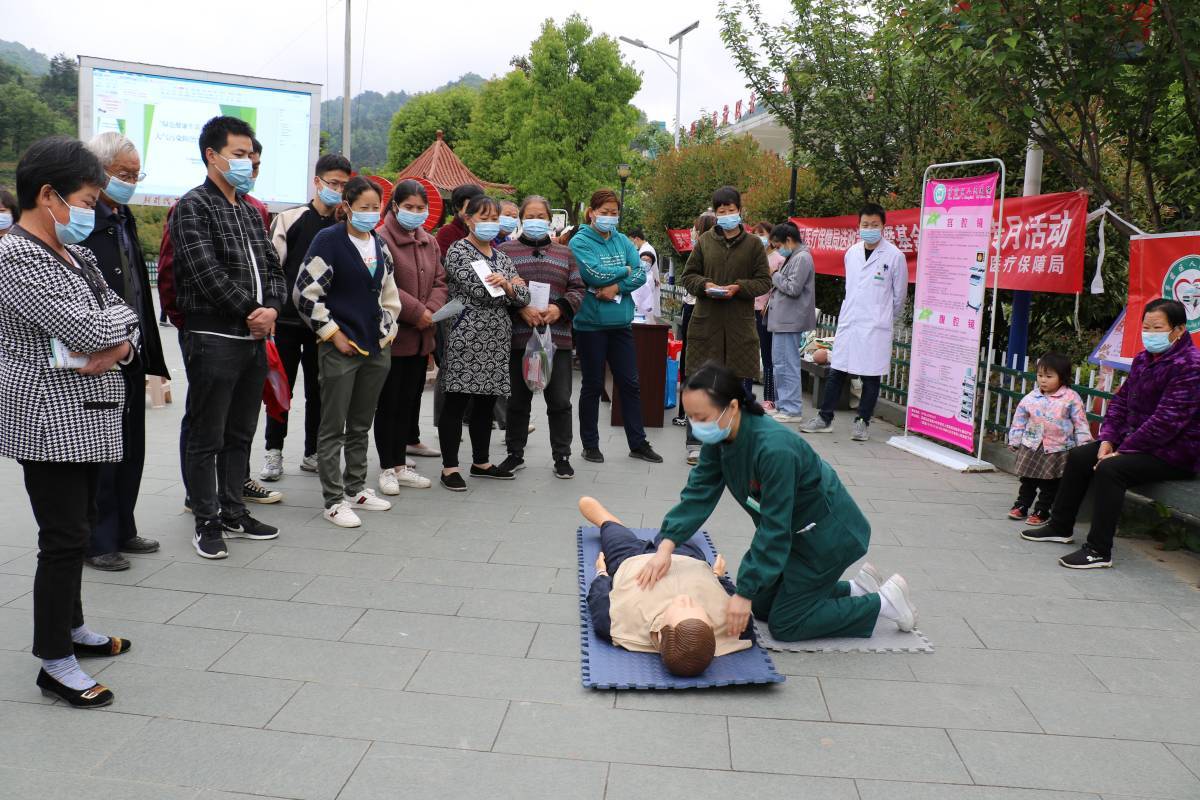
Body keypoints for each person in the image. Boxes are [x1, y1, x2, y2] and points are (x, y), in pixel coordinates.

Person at [0, 136, 142, 707]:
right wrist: (109, 335)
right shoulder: (16, 256)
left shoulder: (73, 253)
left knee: (80, 525)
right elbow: (89, 329)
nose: (92, 211)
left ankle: (73, 626)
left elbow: (126, 312)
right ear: (48, 194)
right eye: (85, 199)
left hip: (91, 410)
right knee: (61, 539)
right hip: (48, 415)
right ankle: (53, 660)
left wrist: (117, 343)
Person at [641, 363, 918, 642]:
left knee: (786, 623)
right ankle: (855, 589)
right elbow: (699, 491)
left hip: (827, 538)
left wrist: (743, 592)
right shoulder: (723, 436)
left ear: (733, 407)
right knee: (761, 606)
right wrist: (667, 544)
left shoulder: (774, 450)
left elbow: (774, 528)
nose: (696, 426)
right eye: (691, 417)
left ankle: (884, 602)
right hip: (795, 535)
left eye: (701, 417)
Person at [170, 116, 287, 560]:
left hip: (254, 340)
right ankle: (207, 518)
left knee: (241, 430)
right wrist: (251, 312)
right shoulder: (193, 206)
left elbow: (274, 269)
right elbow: (204, 272)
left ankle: (235, 509)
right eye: (238, 155)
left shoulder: (248, 209)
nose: (247, 162)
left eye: (250, 156)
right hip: (213, 336)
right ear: (212, 156)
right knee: (207, 434)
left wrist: (272, 309)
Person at [1023, 299, 1200, 569]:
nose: (1150, 333)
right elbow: (1121, 402)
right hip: (1138, 443)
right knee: (1082, 456)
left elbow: (1167, 421)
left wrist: (1122, 449)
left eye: (1157, 327)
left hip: (1175, 451)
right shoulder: (1144, 359)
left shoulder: (1190, 365)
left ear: (1178, 330)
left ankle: (1098, 550)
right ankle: (1060, 526)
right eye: (1146, 327)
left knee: (1111, 469)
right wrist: (1107, 439)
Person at [78, 132, 167, 571]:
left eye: (135, 175)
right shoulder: (83, 220)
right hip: (99, 352)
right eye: (123, 175)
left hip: (132, 348)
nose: (130, 182)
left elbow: (139, 293)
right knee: (104, 451)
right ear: (98, 173)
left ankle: (124, 527)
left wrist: (152, 355)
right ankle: (98, 538)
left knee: (133, 445)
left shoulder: (122, 216)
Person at [294, 177, 401, 528]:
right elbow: (305, 293)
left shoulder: (380, 244)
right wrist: (331, 333)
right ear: (348, 206)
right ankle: (333, 498)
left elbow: (389, 293)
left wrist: (387, 331)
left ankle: (356, 487)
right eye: (364, 207)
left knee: (360, 422)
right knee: (333, 426)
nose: (371, 213)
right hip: (340, 346)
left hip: (375, 345)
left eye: (376, 207)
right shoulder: (329, 241)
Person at [579, 496, 751, 676]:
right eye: (695, 605)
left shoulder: (615, 627)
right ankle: (665, 535)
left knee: (602, 520)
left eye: (680, 606)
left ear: (661, 634)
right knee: (674, 532)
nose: (685, 599)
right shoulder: (735, 627)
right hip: (685, 558)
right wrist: (718, 577)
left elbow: (599, 598)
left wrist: (601, 573)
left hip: (631, 559)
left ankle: (610, 522)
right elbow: (735, 598)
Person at [260, 153, 353, 482]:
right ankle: (274, 451)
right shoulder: (291, 218)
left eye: (344, 185)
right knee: (280, 389)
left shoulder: (344, 227)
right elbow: (272, 265)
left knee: (319, 390)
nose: (338, 190)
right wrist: (270, 307)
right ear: (317, 182)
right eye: (333, 183)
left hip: (323, 325)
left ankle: (313, 451)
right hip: (285, 321)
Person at [438, 195, 531, 491]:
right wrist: (509, 287)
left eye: (495, 218)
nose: (491, 224)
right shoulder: (458, 250)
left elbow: (524, 296)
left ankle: (481, 461)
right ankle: (449, 467)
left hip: (496, 338)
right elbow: (479, 291)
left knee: (487, 402)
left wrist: (507, 285)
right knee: (456, 401)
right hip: (467, 335)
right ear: (468, 219)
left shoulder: (502, 256)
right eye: (484, 217)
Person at [569, 188, 664, 465]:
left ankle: (638, 442)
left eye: (614, 213)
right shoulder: (580, 242)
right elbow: (592, 274)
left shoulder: (622, 240)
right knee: (593, 385)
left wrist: (615, 287)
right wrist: (623, 271)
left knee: (630, 384)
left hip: (621, 322)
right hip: (591, 325)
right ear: (591, 213)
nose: (610, 217)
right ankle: (590, 444)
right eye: (604, 212)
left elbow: (640, 275)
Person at [679, 187, 772, 465]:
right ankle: (696, 442)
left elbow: (764, 282)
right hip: (706, 324)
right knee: (701, 385)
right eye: (722, 211)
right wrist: (705, 286)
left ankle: (740, 443)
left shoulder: (754, 245)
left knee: (739, 387)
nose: (727, 215)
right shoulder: (705, 241)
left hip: (738, 326)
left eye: (731, 210)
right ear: (715, 213)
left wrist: (738, 288)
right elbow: (688, 276)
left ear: (740, 211)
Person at [802, 202, 907, 441]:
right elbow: (852, 288)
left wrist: (881, 315)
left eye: (874, 225)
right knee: (837, 370)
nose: (869, 228)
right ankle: (824, 417)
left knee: (871, 375)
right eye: (865, 224)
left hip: (875, 325)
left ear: (883, 226)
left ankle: (862, 421)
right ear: (858, 226)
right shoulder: (852, 253)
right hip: (851, 321)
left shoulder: (894, 256)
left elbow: (899, 296)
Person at [498, 195, 585, 478]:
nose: (536, 221)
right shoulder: (506, 252)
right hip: (518, 337)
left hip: (556, 338)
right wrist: (520, 309)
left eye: (541, 216)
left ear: (550, 220)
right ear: (522, 219)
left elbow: (578, 289)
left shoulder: (565, 253)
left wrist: (559, 309)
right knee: (517, 401)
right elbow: (498, 292)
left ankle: (562, 456)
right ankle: (514, 453)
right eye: (531, 216)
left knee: (560, 401)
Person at [374, 178, 446, 494]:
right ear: (394, 206)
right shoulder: (379, 239)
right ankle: (387, 468)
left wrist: (431, 310)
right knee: (388, 404)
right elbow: (384, 284)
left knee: (409, 403)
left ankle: (401, 465)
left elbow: (441, 282)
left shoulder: (429, 241)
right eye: (409, 207)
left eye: (420, 208)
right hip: (393, 336)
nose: (415, 213)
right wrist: (419, 313)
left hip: (421, 339)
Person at [1005, 352, 1092, 526]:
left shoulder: (1071, 398)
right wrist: (1015, 439)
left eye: (1049, 376)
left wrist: (1085, 446)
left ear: (1063, 377)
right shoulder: (1031, 397)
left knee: (1050, 483)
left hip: (1057, 448)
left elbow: (1080, 422)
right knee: (1028, 479)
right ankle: (1022, 505)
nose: (1043, 380)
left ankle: (1042, 510)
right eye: (1040, 375)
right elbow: (1019, 419)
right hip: (1031, 445)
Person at [766, 222, 816, 424]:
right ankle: (783, 405)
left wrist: (774, 275)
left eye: (778, 246)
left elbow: (793, 288)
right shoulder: (794, 257)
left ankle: (792, 408)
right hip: (783, 320)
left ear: (788, 240)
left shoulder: (802, 257)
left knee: (788, 364)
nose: (778, 250)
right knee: (781, 364)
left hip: (790, 320)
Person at [672, 213, 716, 427]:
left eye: (695, 228)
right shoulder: (708, 250)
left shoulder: (703, 251)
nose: (692, 232)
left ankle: (687, 412)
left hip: (696, 308)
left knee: (690, 361)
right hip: (697, 307)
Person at [752, 221, 780, 413]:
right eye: (754, 233)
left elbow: (779, 288)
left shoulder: (779, 259)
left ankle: (770, 398)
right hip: (749, 309)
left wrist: (769, 304)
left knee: (767, 355)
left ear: (771, 237)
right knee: (750, 352)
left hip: (767, 312)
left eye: (761, 233)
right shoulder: (753, 258)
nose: (758, 237)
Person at [629, 227, 661, 322]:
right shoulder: (646, 248)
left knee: (645, 317)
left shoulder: (645, 250)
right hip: (646, 284)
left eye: (631, 241)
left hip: (646, 284)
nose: (631, 244)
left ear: (637, 239)